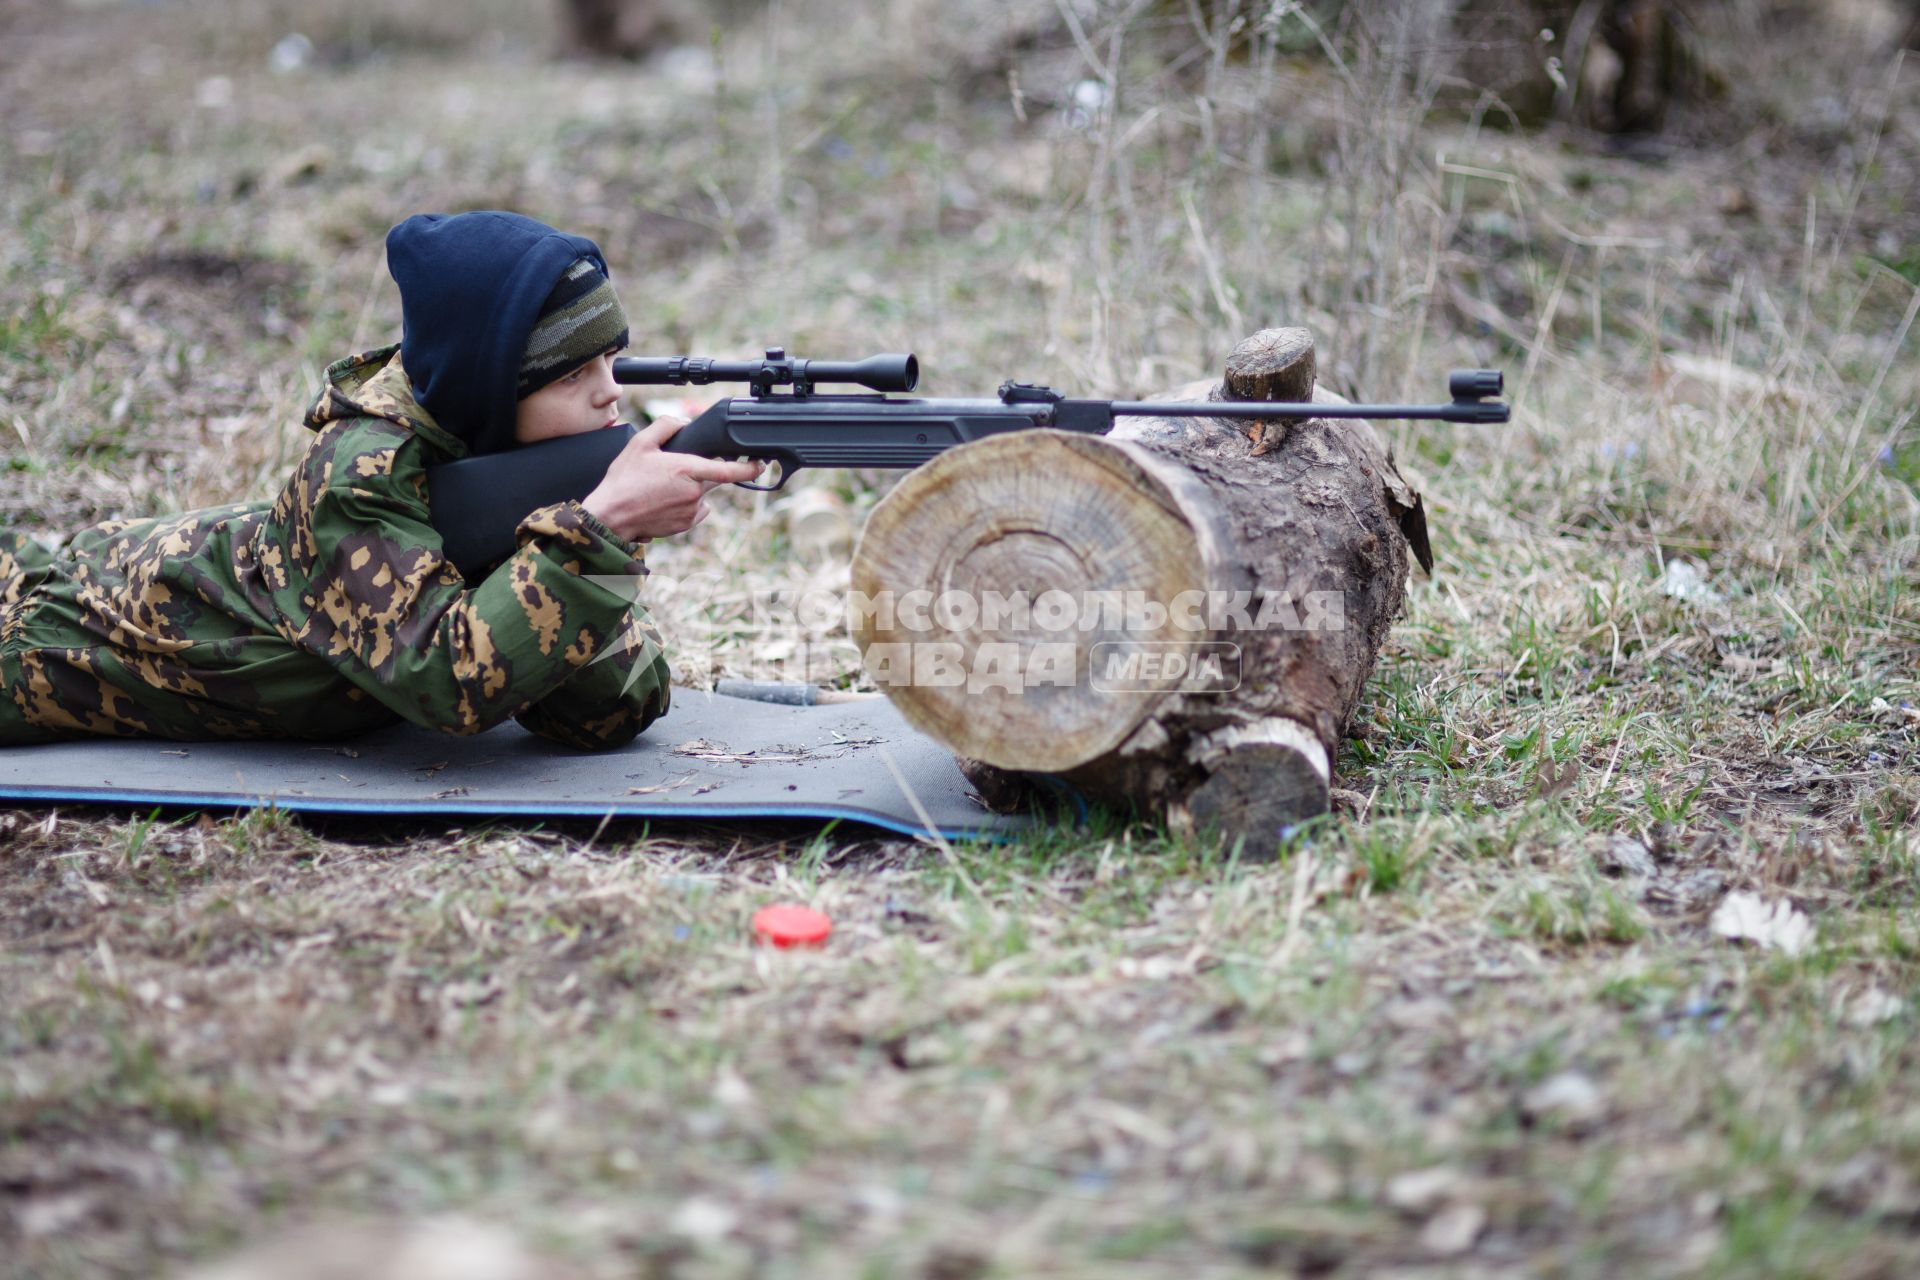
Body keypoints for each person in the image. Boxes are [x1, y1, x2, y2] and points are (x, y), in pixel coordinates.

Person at [0, 210, 760, 749]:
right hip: (41, 635)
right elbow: (451, 681)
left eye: (611, 361)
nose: (609, 395)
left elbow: (610, 714)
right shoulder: (356, 473)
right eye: (573, 375)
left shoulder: (499, 478)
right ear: (488, 389)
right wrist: (598, 535)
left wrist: (588, 529)